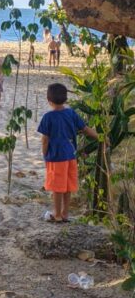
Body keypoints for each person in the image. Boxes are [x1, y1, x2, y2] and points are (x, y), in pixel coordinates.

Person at [37, 83, 97, 224]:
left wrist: (45, 154)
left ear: (49, 100)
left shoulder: (48, 117)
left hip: (56, 157)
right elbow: (86, 129)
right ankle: (65, 213)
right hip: (71, 155)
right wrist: (101, 137)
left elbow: (45, 140)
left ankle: (57, 215)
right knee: (67, 185)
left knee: (57, 187)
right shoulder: (71, 113)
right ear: (65, 99)